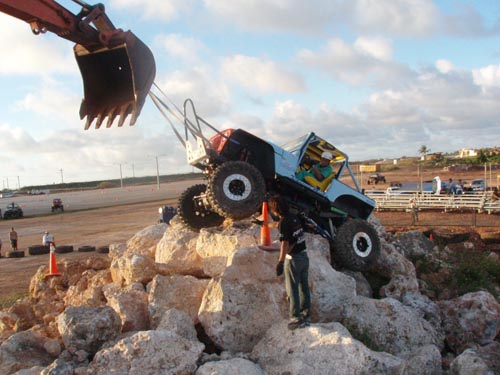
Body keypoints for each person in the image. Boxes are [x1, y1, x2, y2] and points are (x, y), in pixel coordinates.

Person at [269, 195, 311, 330]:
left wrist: (280, 262)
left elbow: (284, 244)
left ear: (275, 209)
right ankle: (306, 316)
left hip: (293, 260)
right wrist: (265, 225)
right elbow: (284, 226)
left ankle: (295, 318)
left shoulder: (283, 223)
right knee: (304, 288)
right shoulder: (294, 217)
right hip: (304, 257)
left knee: (292, 289)